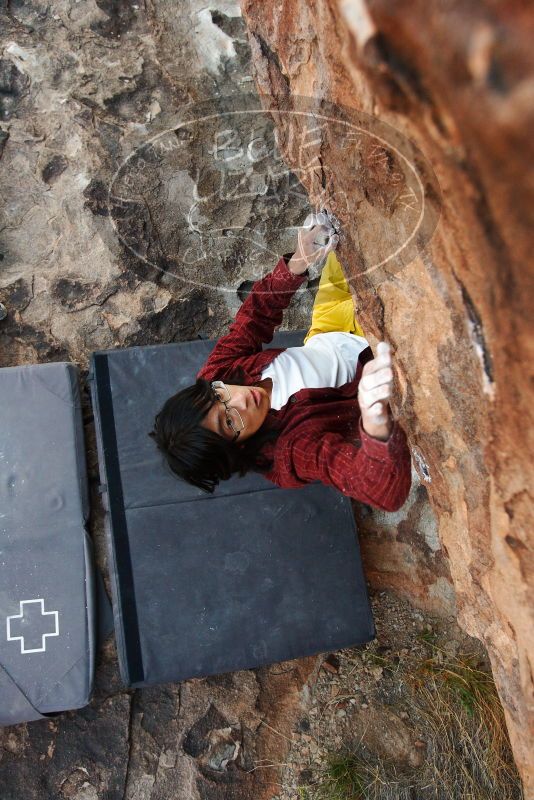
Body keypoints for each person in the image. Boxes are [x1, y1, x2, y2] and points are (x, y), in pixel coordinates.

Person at [149, 213, 412, 511]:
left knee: (356, 228)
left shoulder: (216, 376)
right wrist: (375, 424)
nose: (240, 400)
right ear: (239, 447)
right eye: (230, 421)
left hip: (328, 326)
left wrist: (298, 262)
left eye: (219, 396)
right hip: (372, 362)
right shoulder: (290, 453)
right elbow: (382, 493)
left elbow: (253, 318)